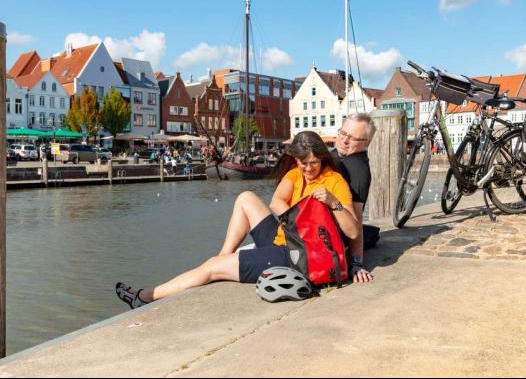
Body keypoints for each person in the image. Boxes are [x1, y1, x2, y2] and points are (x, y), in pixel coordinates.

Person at [115, 131, 361, 309]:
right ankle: (225, 255)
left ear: (322, 159)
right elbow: (276, 202)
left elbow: (352, 232)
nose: (307, 169)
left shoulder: (334, 182)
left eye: (313, 164)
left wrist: (332, 202)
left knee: (211, 268)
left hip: (299, 256)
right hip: (286, 237)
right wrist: (297, 214)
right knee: (245, 197)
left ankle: (145, 296)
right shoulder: (296, 174)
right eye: (302, 163)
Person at [331, 113, 378, 284]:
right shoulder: (338, 155)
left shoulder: (358, 170)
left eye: (352, 138)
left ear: (366, 143)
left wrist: (356, 262)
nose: (344, 140)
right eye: (343, 133)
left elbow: (355, 219)